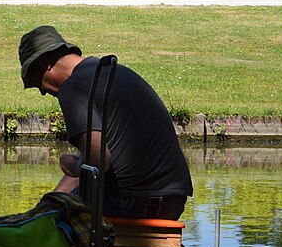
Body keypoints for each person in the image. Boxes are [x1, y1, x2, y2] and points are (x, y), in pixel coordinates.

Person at [18, 26, 192, 220]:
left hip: (135, 202)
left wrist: (75, 166)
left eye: (36, 81)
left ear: (45, 63)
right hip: (173, 198)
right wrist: (49, 202)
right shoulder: (110, 71)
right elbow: (94, 159)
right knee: (52, 208)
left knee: (54, 226)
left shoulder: (73, 88)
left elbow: (96, 159)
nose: (42, 91)